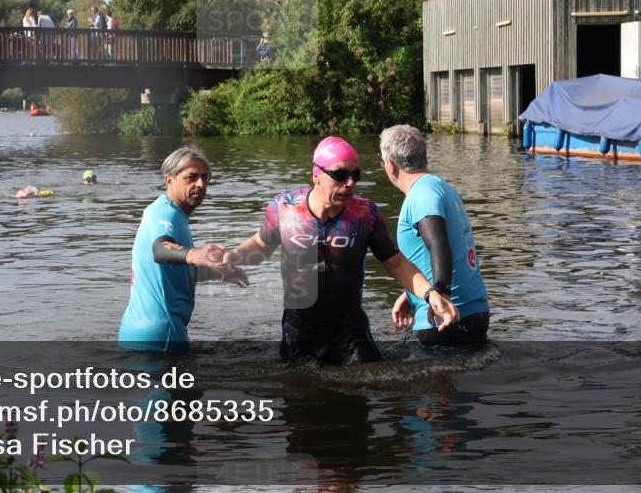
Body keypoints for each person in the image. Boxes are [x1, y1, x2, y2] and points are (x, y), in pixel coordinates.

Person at [224, 136, 458, 366]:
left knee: (371, 384)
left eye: (355, 175)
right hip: (299, 330)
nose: (350, 183)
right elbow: (262, 244)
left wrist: (431, 293)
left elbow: (396, 263)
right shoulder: (284, 208)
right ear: (317, 174)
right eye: (340, 175)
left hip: (349, 329)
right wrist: (232, 257)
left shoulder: (365, 214)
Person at [118, 147, 248, 353]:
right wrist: (196, 254)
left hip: (139, 331)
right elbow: (160, 250)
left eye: (205, 178)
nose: (201, 184)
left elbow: (172, 269)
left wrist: (217, 271)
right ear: (169, 180)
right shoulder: (166, 215)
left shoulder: (168, 213)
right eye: (192, 177)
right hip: (162, 335)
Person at [379, 125, 490, 345]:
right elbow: (447, 248)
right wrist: (413, 293)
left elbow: (438, 243)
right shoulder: (439, 187)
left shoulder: (422, 195)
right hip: (473, 312)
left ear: (391, 166)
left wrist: (441, 293)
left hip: (444, 319)